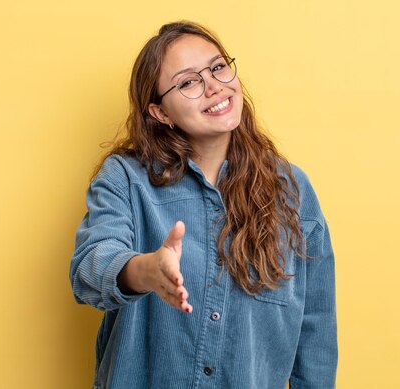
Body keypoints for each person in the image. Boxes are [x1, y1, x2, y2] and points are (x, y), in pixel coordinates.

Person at [70, 21, 337, 389]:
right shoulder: (126, 179)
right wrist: (146, 270)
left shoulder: (292, 190)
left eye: (217, 67)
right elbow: (90, 266)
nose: (214, 86)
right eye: (188, 82)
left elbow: (315, 327)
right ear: (160, 112)